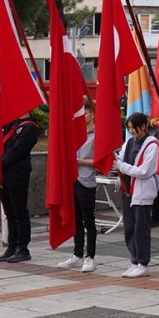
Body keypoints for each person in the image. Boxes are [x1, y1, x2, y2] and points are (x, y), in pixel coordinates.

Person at [116, 112, 159, 277]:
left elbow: (144, 171)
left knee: (141, 229)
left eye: (134, 128)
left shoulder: (152, 145)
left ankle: (143, 262)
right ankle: (134, 260)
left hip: (142, 193)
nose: (132, 131)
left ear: (144, 127)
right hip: (127, 190)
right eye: (129, 128)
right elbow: (120, 159)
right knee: (129, 228)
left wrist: (121, 166)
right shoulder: (129, 142)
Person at [59, 98, 98, 273]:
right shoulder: (76, 132)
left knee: (88, 220)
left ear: (93, 114)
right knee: (75, 220)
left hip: (86, 181)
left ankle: (90, 257)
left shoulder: (97, 136)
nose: (83, 116)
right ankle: (77, 254)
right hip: (72, 179)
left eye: (86, 112)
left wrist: (78, 161)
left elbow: (99, 161)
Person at [0, 111, 40, 263]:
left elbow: (17, 151)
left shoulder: (30, 127)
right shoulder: (11, 123)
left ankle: (23, 248)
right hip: (3, 174)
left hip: (17, 174)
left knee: (19, 210)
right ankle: (12, 246)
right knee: (9, 212)